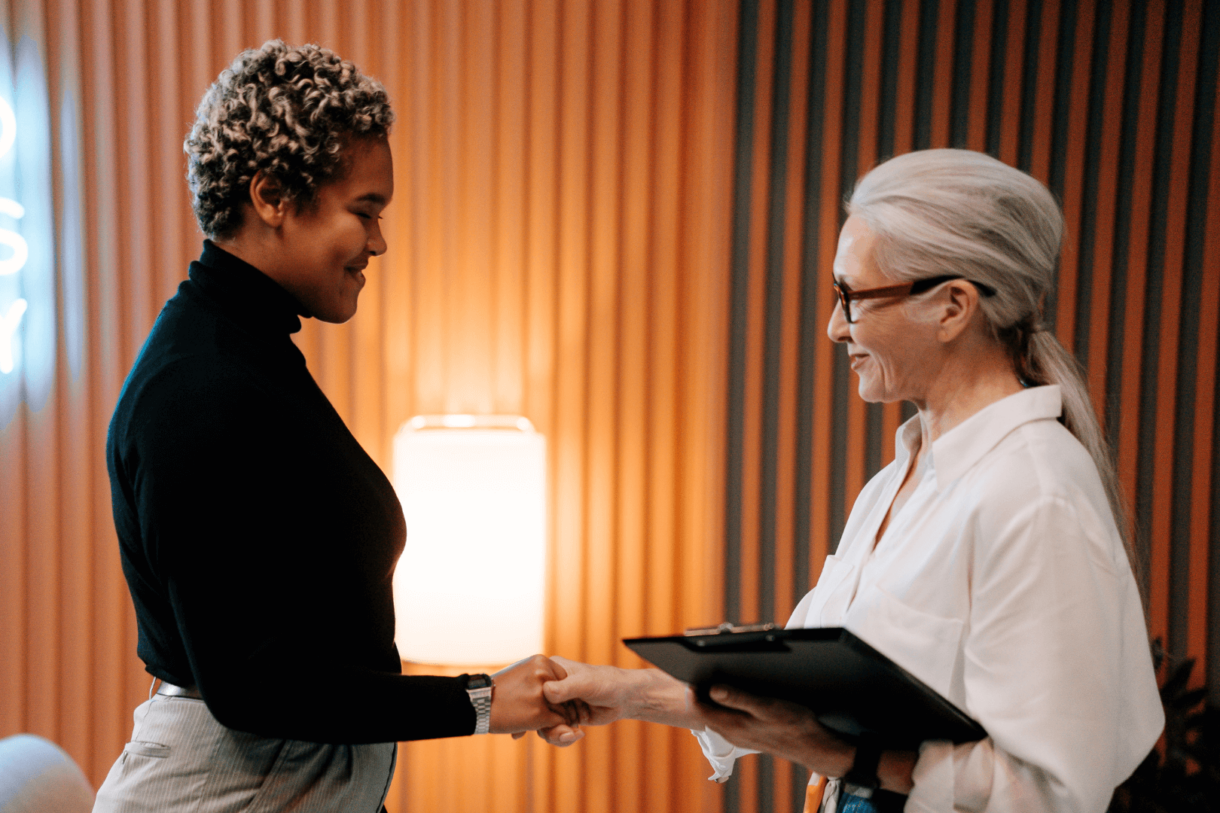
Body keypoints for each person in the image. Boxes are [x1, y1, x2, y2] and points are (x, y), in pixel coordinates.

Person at [537, 149, 1164, 813]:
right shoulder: (898, 481)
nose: (836, 328)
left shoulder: (1034, 494)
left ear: (952, 306)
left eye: (852, 297)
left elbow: (1052, 793)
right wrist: (626, 691)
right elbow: (801, 697)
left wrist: (839, 755)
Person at [95, 41, 573, 813]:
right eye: (365, 211)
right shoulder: (199, 386)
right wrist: (481, 701)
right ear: (272, 194)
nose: (379, 242)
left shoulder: (247, 357)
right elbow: (254, 683)